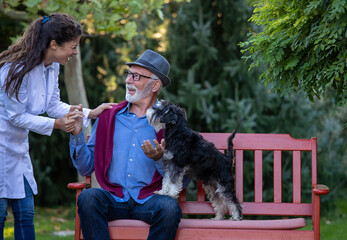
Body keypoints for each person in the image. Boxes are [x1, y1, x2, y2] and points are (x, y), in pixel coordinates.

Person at [0, 13, 114, 240]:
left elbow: (52, 105)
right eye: (72, 47)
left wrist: (91, 112)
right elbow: (15, 116)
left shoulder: (51, 67)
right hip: (1, 145)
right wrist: (57, 125)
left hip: (17, 149)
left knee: (25, 214)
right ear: (54, 44)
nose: (75, 52)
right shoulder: (14, 70)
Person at [69, 49, 182, 240]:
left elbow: (181, 176)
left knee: (169, 208)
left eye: (136, 76)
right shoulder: (107, 116)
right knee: (88, 198)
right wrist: (77, 134)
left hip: (150, 199)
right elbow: (86, 167)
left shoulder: (170, 122)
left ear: (155, 85)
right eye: (129, 74)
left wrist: (160, 159)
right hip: (114, 198)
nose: (128, 80)